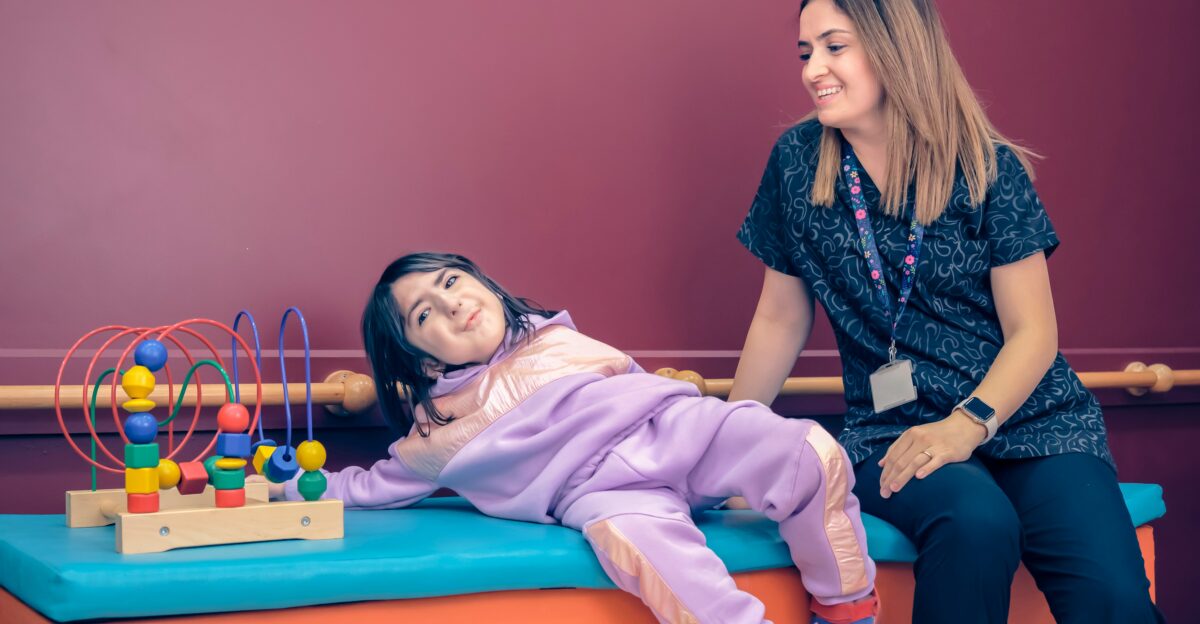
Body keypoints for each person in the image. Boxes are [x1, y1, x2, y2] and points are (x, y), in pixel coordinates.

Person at [731, 1, 1163, 622]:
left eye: (834, 46)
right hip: (893, 428)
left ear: (894, 47)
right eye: (806, 52)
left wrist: (969, 424)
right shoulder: (798, 163)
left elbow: (1033, 333)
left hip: (1030, 420)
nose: (812, 70)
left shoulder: (986, 166)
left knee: (1113, 598)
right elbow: (779, 318)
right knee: (975, 524)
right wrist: (726, 441)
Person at [265, 252, 878, 624]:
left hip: (674, 429)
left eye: (450, 282)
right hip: (606, 494)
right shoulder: (438, 434)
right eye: (423, 314)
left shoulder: (548, 332)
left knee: (808, 452)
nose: (450, 305)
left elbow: (629, 379)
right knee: (662, 564)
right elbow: (368, 487)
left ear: (481, 283)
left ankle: (845, 607)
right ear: (423, 363)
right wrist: (286, 484)